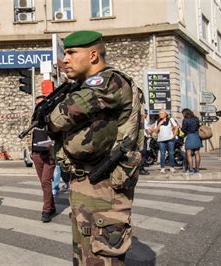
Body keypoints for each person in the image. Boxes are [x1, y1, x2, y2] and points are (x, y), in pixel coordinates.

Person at [47, 31, 143, 265]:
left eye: (71, 53)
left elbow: (59, 118)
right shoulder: (85, 86)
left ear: (92, 55)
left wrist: (51, 114)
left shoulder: (109, 81)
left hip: (105, 187)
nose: (64, 60)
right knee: (85, 254)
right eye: (64, 53)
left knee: (101, 256)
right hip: (88, 184)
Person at [31, 95, 56, 223]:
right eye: (36, 105)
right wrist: (31, 152)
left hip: (49, 154)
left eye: (40, 105)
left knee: (46, 181)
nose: (38, 107)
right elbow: (31, 135)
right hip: (36, 154)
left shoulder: (53, 118)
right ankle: (52, 206)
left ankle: (46, 210)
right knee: (43, 183)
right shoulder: (34, 119)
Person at [152, 109, 178, 174]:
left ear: (165, 114)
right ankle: (162, 168)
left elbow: (176, 127)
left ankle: (172, 167)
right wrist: (159, 124)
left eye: (162, 113)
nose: (160, 115)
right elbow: (155, 131)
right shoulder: (157, 121)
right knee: (162, 154)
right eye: (159, 114)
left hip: (170, 139)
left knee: (171, 153)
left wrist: (174, 135)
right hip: (161, 140)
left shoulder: (170, 120)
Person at [181, 108, 202, 173]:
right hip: (196, 136)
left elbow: (183, 130)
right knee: (197, 152)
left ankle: (190, 168)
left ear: (184, 113)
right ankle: (197, 168)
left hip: (189, 136)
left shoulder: (185, 120)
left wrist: (182, 130)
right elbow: (198, 127)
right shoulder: (196, 119)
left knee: (189, 153)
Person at [138, 109, 151, 175]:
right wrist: (151, 132)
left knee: (141, 153)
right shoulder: (143, 120)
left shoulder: (139, 120)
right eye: (146, 113)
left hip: (141, 138)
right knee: (143, 153)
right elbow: (147, 130)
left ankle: (140, 168)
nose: (146, 115)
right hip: (142, 138)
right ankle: (141, 168)